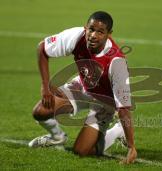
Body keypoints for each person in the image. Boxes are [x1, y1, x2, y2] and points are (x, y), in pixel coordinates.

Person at [28, 11, 137, 164]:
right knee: (40, 112)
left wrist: (132, 146)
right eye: (91, 29)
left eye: (100, 32)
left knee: (81, 151)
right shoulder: (76, 36)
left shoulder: (116, 63)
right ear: (86, 28)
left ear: (109, 34)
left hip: (104, 101)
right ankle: (57, 137)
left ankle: (116, 132)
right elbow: (42, 48)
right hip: (81, 86)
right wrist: (45, 86)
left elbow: (124, 109)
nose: (93, 35)